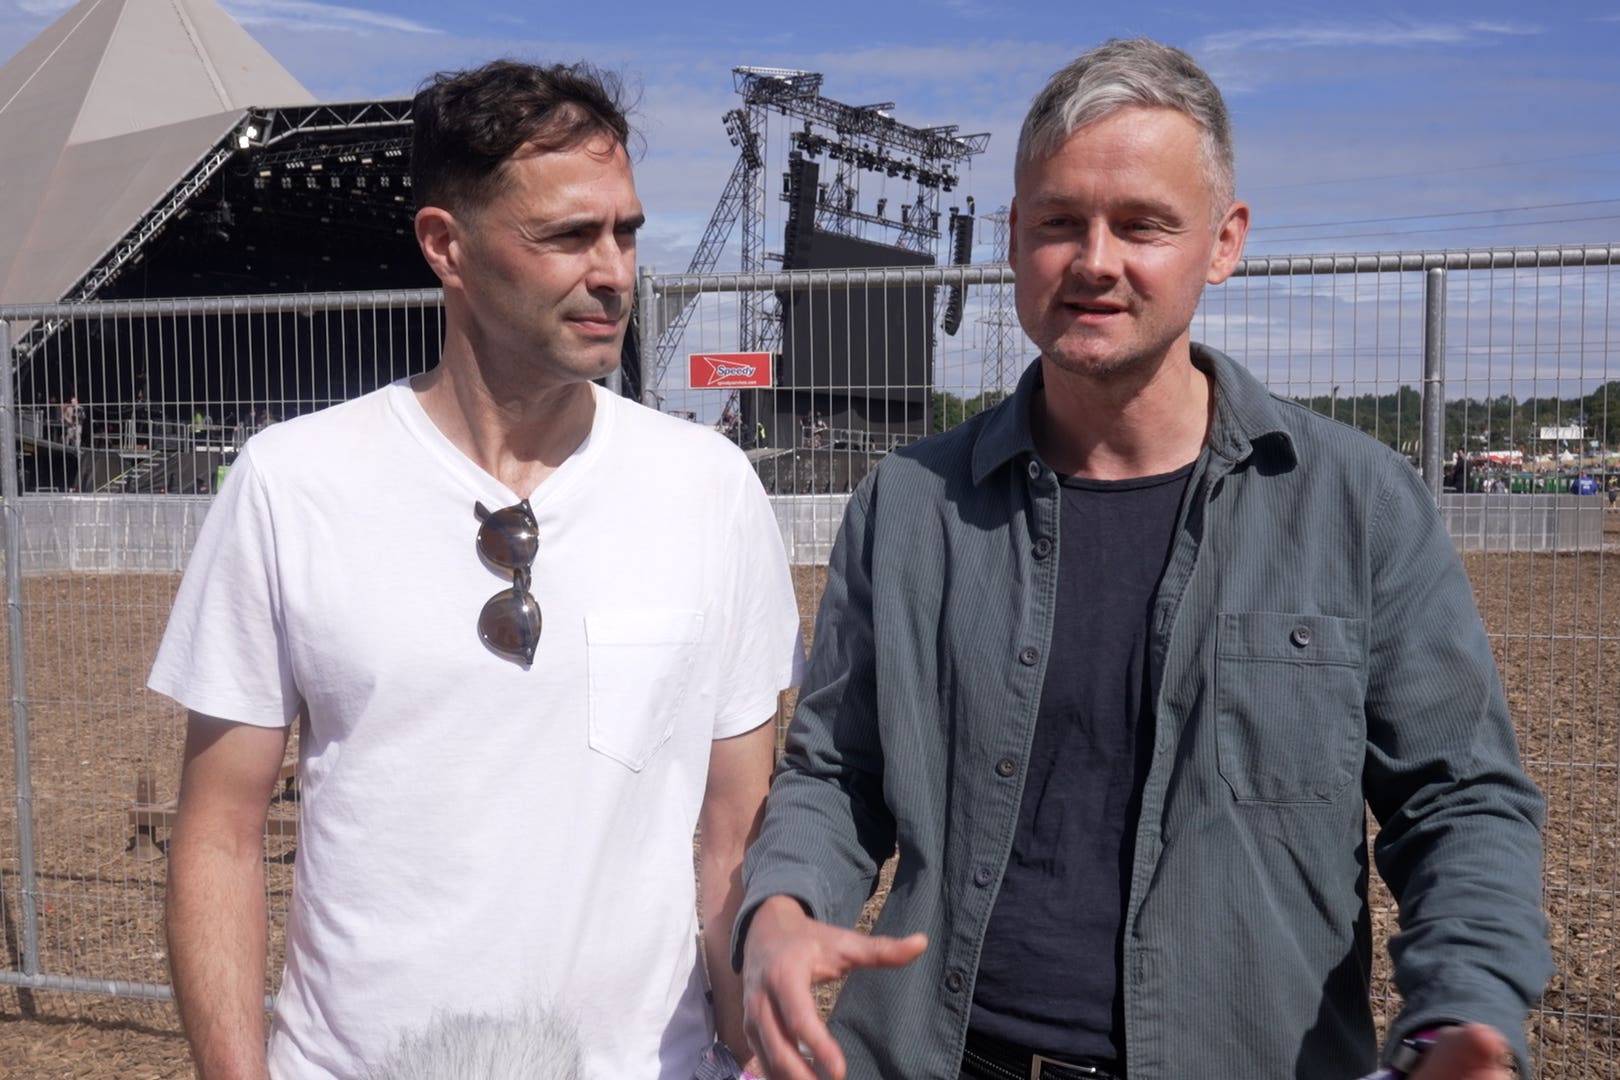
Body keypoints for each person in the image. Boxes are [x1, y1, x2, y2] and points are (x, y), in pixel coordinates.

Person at [735, 38, 1550, 1080]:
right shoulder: (910, 507)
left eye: (1144, 224)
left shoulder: (1353, 502)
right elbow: (837, 775)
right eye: (1059, 223)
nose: (1095, 260)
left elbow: (1459, 799)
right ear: (1014, 237)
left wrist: (1462, 1009)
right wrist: (785, 907)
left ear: (1224, 241)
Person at [150, 59, 803, 1080]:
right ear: (445, 247)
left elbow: (732, 835)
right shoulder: (295, 483)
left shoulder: (710, 491)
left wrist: (761, 1041)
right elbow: (222, 834)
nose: (615, 271)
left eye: (625, 231)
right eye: (566, 236)